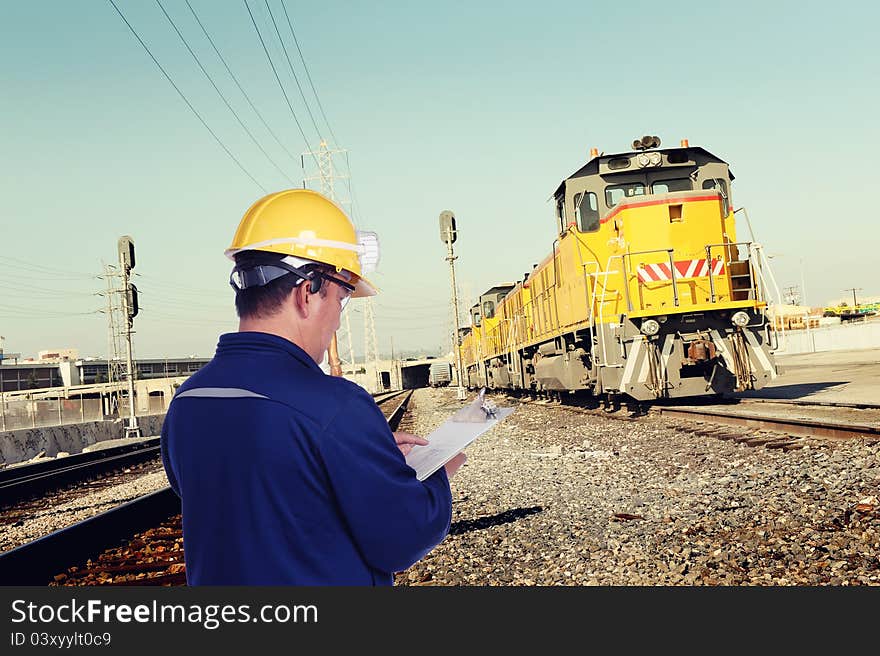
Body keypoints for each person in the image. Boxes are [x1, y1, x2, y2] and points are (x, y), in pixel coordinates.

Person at [160, 189, 466, 585]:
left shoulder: (188, 400)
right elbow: (404, 537)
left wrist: (368, 456)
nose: (338, 320)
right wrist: (435, 475)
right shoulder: (336, 406)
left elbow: (256, 495)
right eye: (342, 298)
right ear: (308, 292)